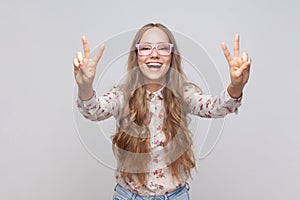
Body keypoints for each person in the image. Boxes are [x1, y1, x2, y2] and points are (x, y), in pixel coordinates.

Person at [73, 23, 251, 200]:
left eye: (163, 48)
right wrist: (85, 86)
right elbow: (94, 111)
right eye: (146, 48)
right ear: (136, 56)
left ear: (172, 57)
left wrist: (236, 86)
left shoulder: (183, 94)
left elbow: (216, 107)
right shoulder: (122, 95)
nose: (154, 54)